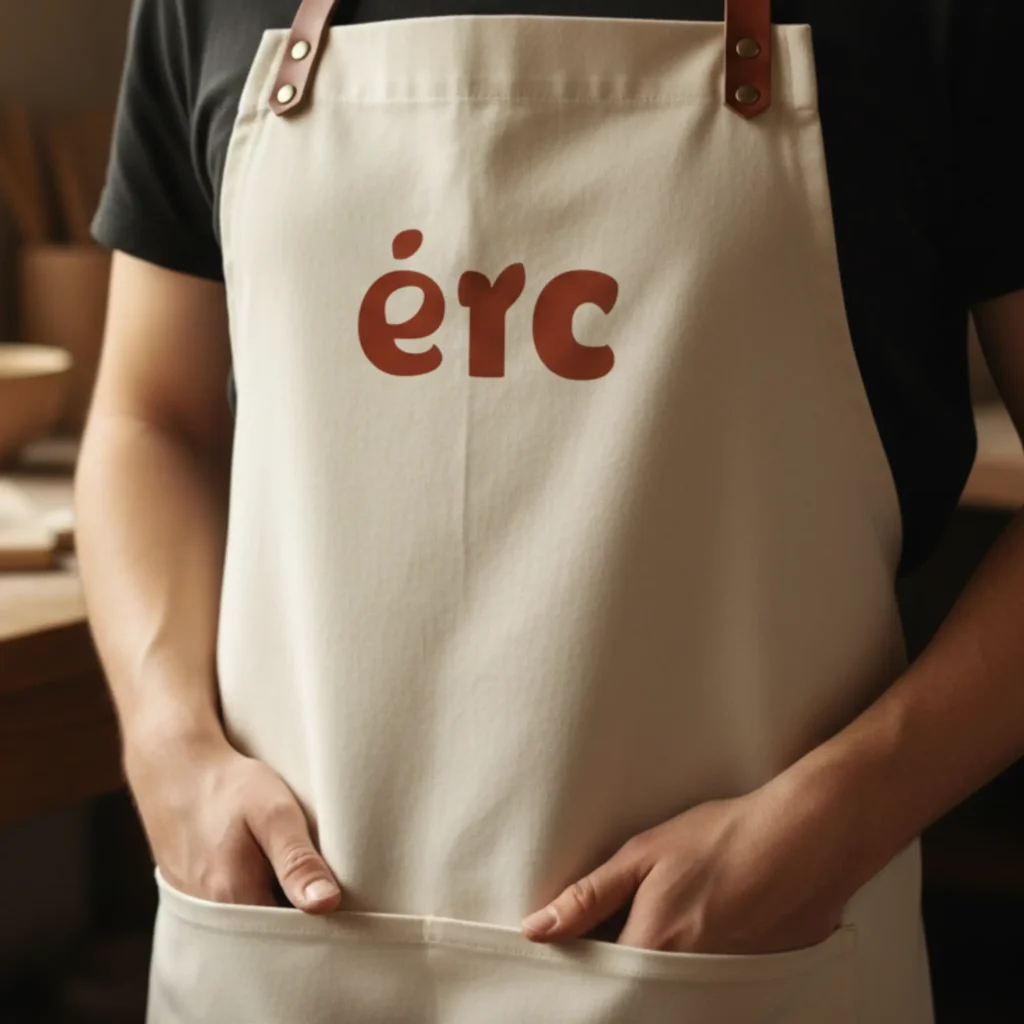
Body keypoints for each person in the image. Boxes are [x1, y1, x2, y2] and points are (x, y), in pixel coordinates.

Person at [77, 0, 1023, 1020]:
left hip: (738, 961)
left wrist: (837, 821)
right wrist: (167, 746)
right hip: (278, 961)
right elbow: (151, 416)